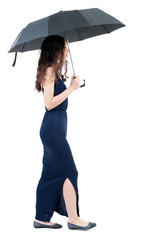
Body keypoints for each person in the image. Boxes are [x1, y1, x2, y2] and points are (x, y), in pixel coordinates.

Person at [33, 35, 96, 230]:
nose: (68, 50)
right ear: (56, 50)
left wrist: (70, 86)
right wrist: (72, 89)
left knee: (49, 174)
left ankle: (41, 218)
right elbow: (49, 103)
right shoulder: (50, 71)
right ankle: (73, 218)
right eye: (65, 47)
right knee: (70, 171)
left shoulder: (54, 71)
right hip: (52, 128)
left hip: (56, 127)